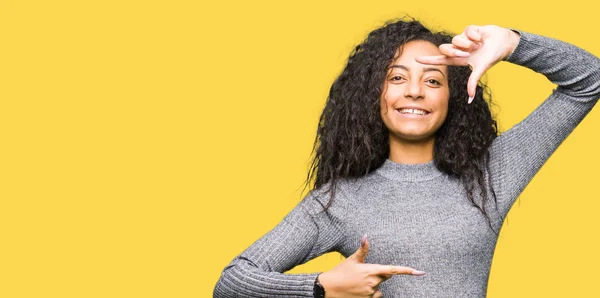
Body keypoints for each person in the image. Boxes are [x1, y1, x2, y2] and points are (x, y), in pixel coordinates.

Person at [213, 17, 600, 298]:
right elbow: (232, 283)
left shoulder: (489, 176)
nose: (415, 91)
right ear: (374, 95)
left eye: (433, 80)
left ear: (452, 97)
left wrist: (512, 42)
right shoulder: (341, 200)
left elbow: (588, 80)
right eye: (397, 78)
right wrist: (320, 287)